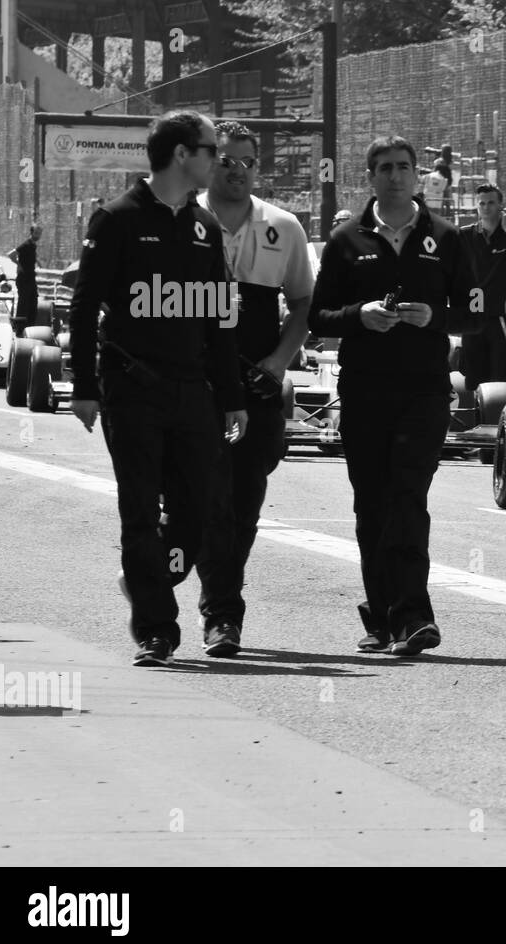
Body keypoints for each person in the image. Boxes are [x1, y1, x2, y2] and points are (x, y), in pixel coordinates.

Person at [68, 109, 248, 667]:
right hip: (132, 388)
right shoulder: (117, 218)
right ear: (180, 154)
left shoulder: (205, 226)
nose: (219, 161)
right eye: (211, 151)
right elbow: (82, 307)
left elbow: (220, 321)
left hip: (193, 390)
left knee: (200, 508)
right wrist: (83, 386)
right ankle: (155, 629)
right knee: (140, 510)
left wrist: (233, 395)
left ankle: (148, 578)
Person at [308, 134, 484, 657]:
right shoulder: (346, 241)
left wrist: (437, 319)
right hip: (363, 390)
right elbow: (317, 318)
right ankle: (381, 617)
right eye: (384, 167)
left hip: (425, 391)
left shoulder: (448, 239)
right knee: (372, 504)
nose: (395, 175)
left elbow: (475, 314)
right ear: (371, 177)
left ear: (416, 175)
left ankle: (412, 617)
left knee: (408, 496)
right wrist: (359, 317)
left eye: (403, 166)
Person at [191, 120, 313, 656]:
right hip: (191, 381)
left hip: (257, 382)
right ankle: (205, 604)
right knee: (197, 500)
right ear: (205, 162)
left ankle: (220, 605)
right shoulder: (179, 219)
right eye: (225, 159)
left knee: (243, 501)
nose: (235, 170)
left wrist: (276, 364)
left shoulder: (284, 227)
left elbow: (306, 304)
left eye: (246, 161)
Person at [458, 183, 506, 389]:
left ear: (501, 206)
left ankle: (499, 417)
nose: (485, 207)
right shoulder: (465, 234)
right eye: (481, 203)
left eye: (491, 202)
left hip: (499, 316)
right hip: (472, 316)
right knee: (471, 375)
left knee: (501, 375)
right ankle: (473, 417)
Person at [7, 224, 41, 337]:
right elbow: (11, 254)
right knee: (23, 303)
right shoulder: (26, 244)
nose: (39, 235)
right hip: (24, 278)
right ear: (31, 233)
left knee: (33, 302)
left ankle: (30, 328)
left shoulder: (33, 246)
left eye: (40, 233)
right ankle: (19, 330)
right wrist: (19, 264)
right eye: (36, 233)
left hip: (31, 278)